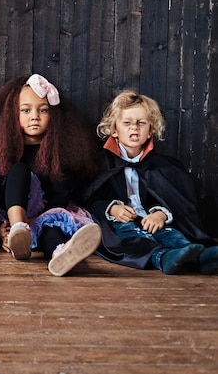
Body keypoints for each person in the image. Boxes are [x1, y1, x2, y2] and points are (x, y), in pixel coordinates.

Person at [0, 74, 102, 276]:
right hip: (14, 217)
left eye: (43, 110)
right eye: (26, 110)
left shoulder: (63, 154)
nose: (34, 116)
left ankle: (59, 255)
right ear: (13, 115)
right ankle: (18, 235)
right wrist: (1, 230)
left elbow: (60, 197)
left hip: (47, 213)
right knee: (18, 170)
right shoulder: (6, 153)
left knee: (52, 229)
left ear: (53, 115)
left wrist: (37, 220)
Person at [84, 91, 218, 275]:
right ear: (114, 130)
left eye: (141, 123)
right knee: (132, 238)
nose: (134, 128)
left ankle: (199, 258)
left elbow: (173, 199)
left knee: (171, 233)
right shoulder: (99, 164)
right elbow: (88, 197)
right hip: (120, 224)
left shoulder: (161, 166)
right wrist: (113, 209)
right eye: (127, 122)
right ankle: (163, 258)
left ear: (151, 130)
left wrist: (160, 214)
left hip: (151, 220)